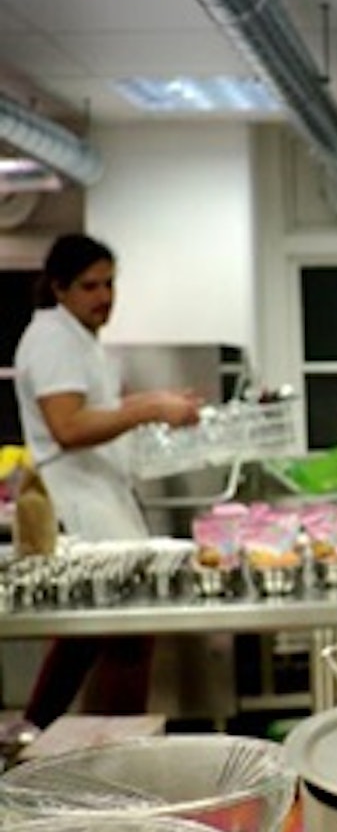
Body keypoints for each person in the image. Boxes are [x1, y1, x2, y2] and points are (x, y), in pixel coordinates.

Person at [6, 233, 201, 746]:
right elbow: (67, 427)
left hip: (99, 498)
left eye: (110, 283)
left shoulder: (76, 338)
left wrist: (149, 405)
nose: (104, 296)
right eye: (90, 285)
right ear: (59, 288)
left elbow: (89, 415)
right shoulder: (51, 339)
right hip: (79, 504)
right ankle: (120, 759)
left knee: (84, 639)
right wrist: (149, 408)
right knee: (126, 633)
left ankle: (29, 741)